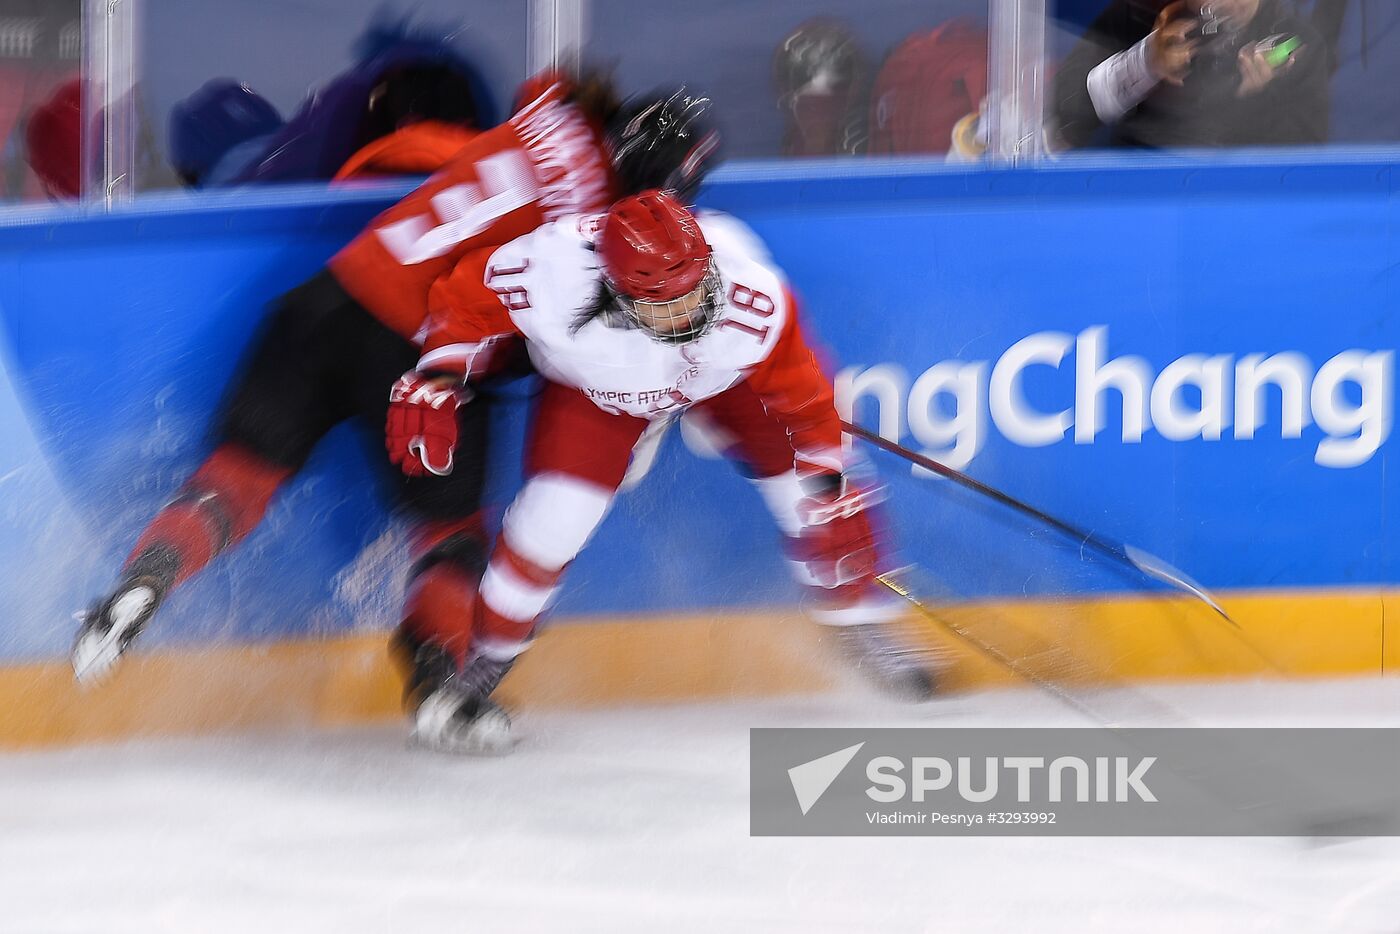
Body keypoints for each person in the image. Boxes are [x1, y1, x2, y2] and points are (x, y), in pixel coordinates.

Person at [72, 74, 723, 689]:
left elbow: (434, 145)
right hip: (422, 352)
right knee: (451, 537)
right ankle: (439, 688)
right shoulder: (592, 237)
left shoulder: (551, 118)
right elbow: (512, 315)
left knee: (235, 481)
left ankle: (144, 580)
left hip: (329, 299)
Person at [385, 190, 936, 754]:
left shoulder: (753, 298)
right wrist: (438, 375)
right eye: (661, 304)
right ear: (614, 289)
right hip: (601, 395)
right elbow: (464, 303)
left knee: (817, 497)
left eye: (694, 291)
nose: (686, 314)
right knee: (551, 524)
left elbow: (808, 403)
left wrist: (829, 484)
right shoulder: (550, 269)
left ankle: (864, 620)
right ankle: (483, 666)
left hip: (728, 381)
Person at [1051, 0, 1328, 150]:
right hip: (1144, 196)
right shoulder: (1139, 15)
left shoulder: (1294, 43)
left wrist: (1254, 99)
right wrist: (1145, 63)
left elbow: (1302, 163)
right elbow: (1064, 114)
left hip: (1236, 206)